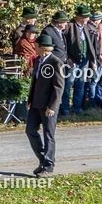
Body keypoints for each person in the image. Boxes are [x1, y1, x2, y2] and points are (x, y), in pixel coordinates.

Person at [27, 33, 65, 177]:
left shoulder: (56, 62)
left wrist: (53, 106)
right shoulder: (38, 60)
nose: (34, 47)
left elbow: (58, 87)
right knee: (30, 130)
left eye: (36, 45)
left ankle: (48, 166)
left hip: (48, 105)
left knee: (48, 134)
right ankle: (43, 159)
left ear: (43, 48)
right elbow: (35, 83)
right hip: (36, 103)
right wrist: (30, 100)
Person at [62, 5, 96, 116]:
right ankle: (65, 108)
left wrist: (92, 61)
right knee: (68, 85)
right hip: (72, 60)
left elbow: (91, 45)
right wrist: (67, 59)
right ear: (80, 17)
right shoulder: (69, 26)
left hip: (84, 61)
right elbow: (63, 45)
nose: (88, 19)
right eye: (86, 17)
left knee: (80, 85)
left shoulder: (87, 27)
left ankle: (77, 107)